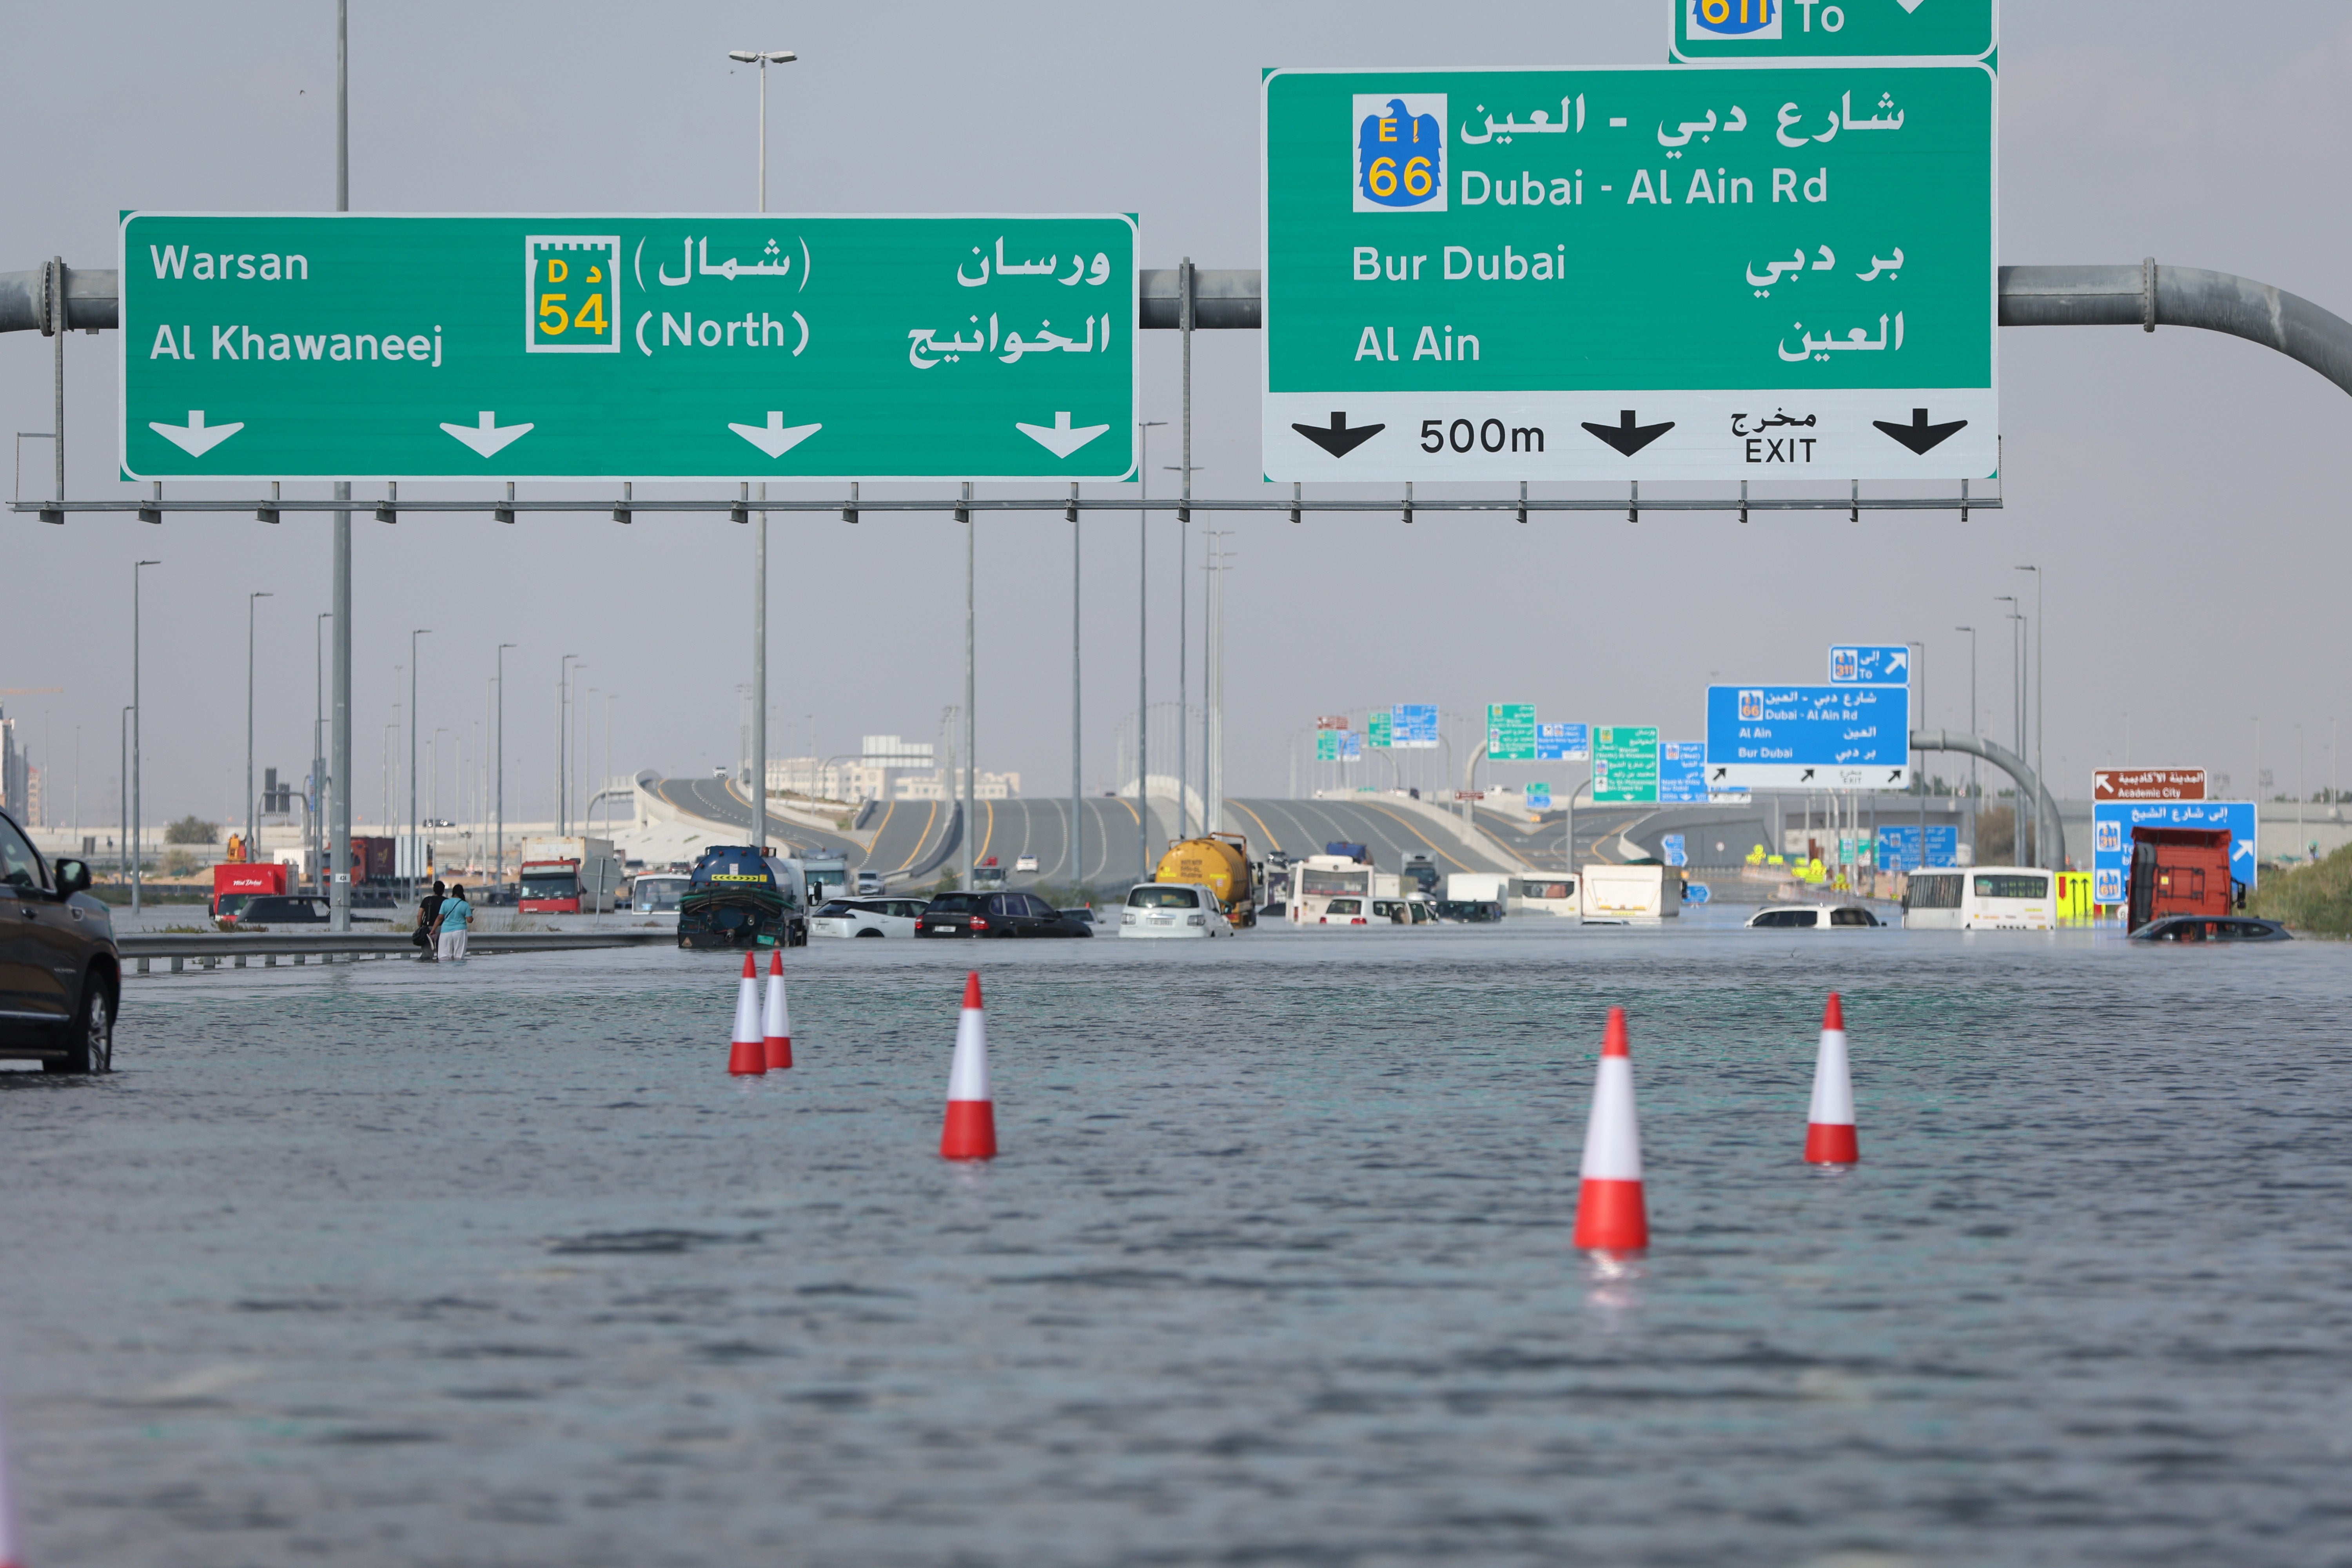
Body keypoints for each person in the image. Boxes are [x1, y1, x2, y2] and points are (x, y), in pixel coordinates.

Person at [434, 883, 472, 965]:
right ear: (462, 893)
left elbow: (440, 918)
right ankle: (457, 976)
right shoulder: (465, 904)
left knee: (444, 957)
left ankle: (447, 975)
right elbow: (470, 920)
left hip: (446, 931)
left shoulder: (445, 902)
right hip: (460, 931)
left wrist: (433, 930)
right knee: (459, 958)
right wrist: (470, 915)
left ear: (453, 892)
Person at [414, 879, 446, 962]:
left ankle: (428, 972)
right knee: (443, 955)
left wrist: (421, 926)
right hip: (443, 929)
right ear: (443, 891)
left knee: (426, 956)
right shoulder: (446, 901)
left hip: (428, 929)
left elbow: (419, 915)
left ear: (434, 890)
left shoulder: (427, 900)